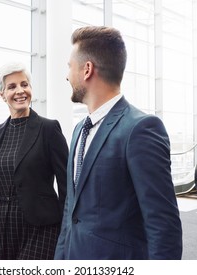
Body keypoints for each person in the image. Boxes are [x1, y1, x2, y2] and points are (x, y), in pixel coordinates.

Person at [54, 26, 183, 260]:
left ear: (87, 70)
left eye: (69, 67)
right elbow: (70, 210)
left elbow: (163, 225)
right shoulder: (77, 131)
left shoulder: (141, 129)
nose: (66, 76)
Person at [0, 62, 68, 260]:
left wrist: (69, 230)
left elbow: (66, 184)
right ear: (2, 94)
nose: (20, 91)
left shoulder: (48, 129)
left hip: (43, 225)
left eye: (25, 84)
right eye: (12, 87)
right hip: (5, 225)